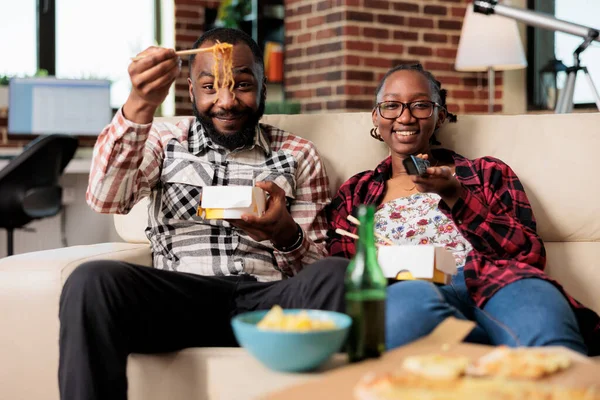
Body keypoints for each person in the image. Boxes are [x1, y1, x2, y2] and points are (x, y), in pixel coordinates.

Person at [59, 28, 348, 400]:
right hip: (183, 298)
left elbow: (314, 267)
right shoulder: (164, 141)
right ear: (192, 91)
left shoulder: (298, 153)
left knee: (338, 275)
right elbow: (105, 199)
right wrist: (140, 103)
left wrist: (284, 233)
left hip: (267, 302)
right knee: (91, 280)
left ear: (262, 88)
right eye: (210, 87)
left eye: (242, 85)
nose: (226, 101)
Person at [327, 63, 600, 356]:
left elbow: (528, 253)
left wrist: (456, 197)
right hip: (410, 289)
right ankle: (489, 347)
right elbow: (346, 272)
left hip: (497, 281)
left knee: (550, 346)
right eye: (391, 105)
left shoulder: (486, 173)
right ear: (376, 116)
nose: (405, 117)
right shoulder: (356, 192)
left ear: (439, 116)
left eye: (420, 105)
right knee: (402, 322)